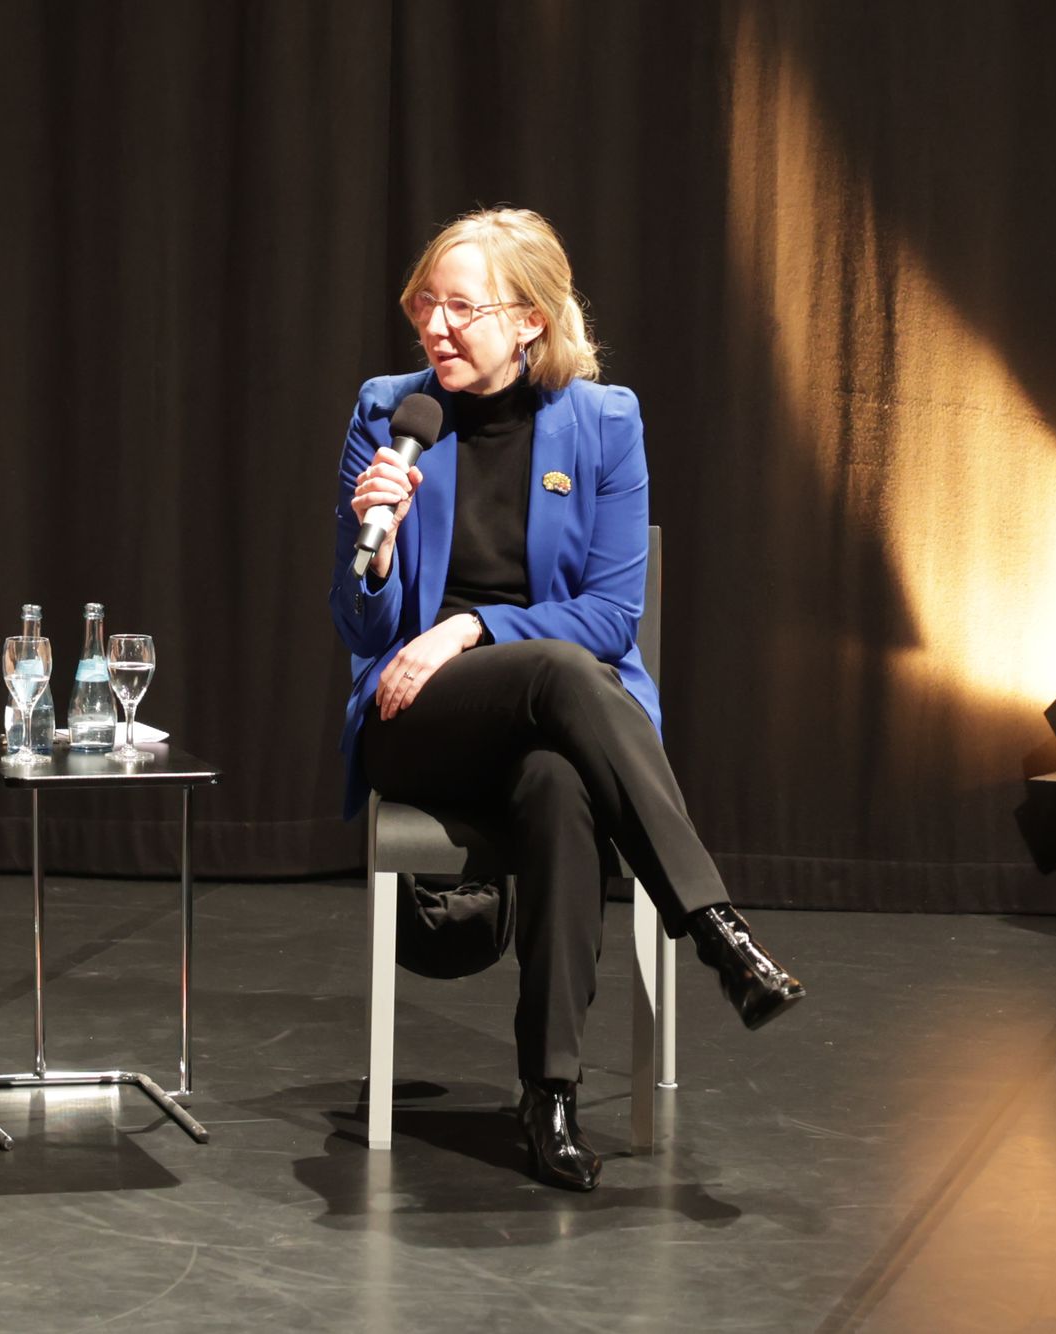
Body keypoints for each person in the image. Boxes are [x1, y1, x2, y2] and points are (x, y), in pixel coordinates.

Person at [328, 207, 804, 1192]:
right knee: (556, 671)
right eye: (425, 303)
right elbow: (362, 629)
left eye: (462, 307)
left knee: (558, 783)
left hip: (552, 713)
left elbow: (611, 616)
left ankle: (547, 1094)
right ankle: (715, 928)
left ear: (530, 320)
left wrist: (470, 625)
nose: (435, 326)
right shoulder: (390, 414)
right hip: (418, 718)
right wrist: (374, 545)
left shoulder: (604, 423)